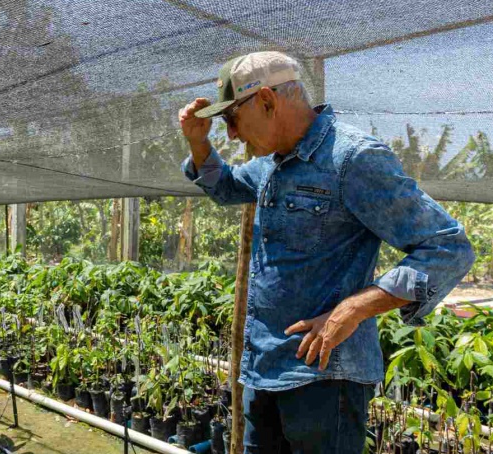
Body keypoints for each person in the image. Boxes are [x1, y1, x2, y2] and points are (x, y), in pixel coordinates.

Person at [178, 51, 475, 454]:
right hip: (263, 368)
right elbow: (225, 187)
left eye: (232, 119)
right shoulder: (272, 164)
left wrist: (354, 308)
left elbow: (447, 247)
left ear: (266, 101)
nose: (230, 135)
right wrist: (198, 143)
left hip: (322, 378)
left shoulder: (352, 159)